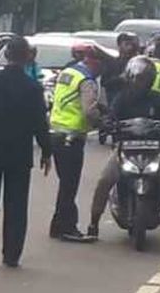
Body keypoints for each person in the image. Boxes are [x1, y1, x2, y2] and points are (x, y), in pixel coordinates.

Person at [85, 56, 160, 248]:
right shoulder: (122, 98)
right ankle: (93, 224)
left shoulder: (159, 99)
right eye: (137, 78)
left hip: (154, 150)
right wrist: (107, 123)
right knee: (104, 180)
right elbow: (111, 116)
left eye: (144, 79)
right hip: (125, 148)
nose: (139, 82)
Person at [0, 35, 52, 267]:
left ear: (5, 55)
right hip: (18, 153)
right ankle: (11, 255)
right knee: (16, 205)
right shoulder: (32, 88)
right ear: (27, 57)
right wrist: (46, 150)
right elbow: (39, 123)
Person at [48, 41, 115, 241]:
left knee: (65, 184)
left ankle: (58, 225)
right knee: (69, 185)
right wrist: (104, 124)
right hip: (72, 136)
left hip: (56, 133)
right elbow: (88, 111)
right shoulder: (87, 80)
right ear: (97, 63)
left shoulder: (68, 72)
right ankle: (67, 228)